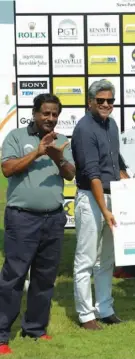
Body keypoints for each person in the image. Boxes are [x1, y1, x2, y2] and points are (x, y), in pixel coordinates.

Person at [0, 93, 75, 355]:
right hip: (22, 219)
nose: (50, 118)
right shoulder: (16, 137)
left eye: (54, 114)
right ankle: (1, 335)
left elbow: (70, 174)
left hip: (53, 218)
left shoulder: (63, 141)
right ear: (34, 113)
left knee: (44, 278)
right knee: (14, 277)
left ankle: (35, 328)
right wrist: (38, 153)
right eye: (45, 113)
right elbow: (8, 169)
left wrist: (57, 157)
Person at [71, 80, 128, 330]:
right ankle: (86, 315)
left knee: (106, 261)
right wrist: (104, 210)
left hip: (112, 196)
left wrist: (128, 180)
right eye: (101, 100)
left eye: (110, 101)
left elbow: (116, 161)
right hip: (92, 198)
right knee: (85, 260)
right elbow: (92, 173)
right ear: (90, 102)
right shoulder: (84, 128)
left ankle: (105, 308)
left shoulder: (111, 124)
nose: (106, 105)